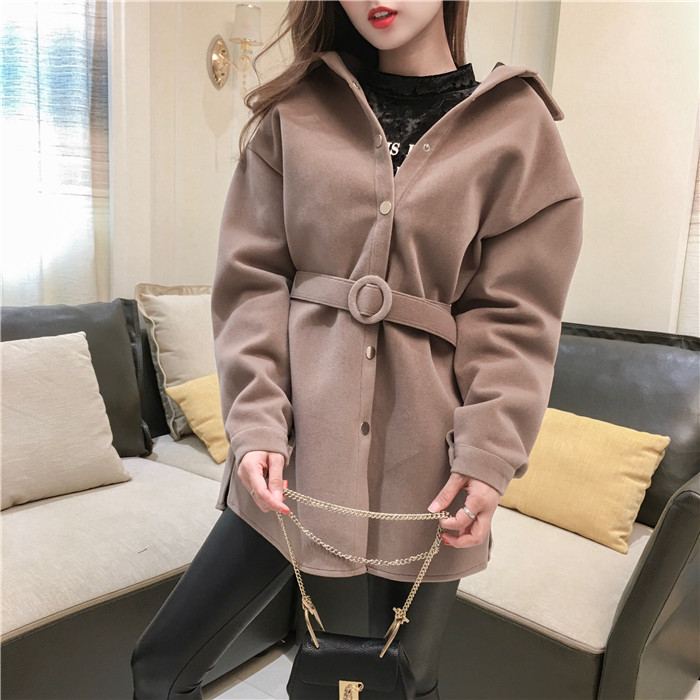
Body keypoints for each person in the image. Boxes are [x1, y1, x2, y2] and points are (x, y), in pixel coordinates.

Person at [131, 1, 584, 698]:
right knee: (162, 666)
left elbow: (515, 318)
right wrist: (256, 420)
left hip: (425, 478)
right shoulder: (296, 112)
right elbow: (253, 282)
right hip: (289, 461)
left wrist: (490, 454)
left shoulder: (518, 129)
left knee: (393, 687)